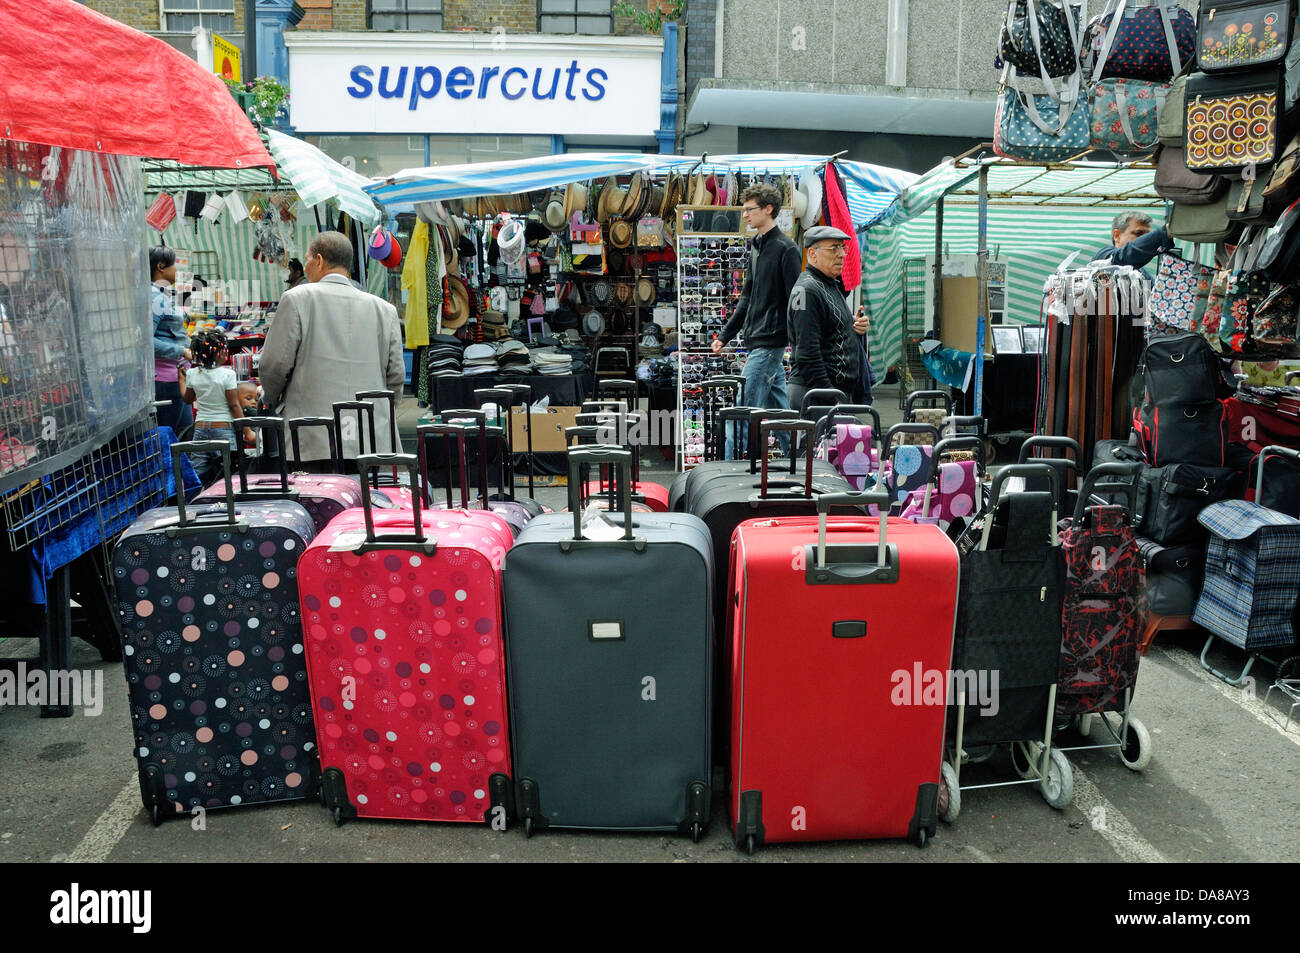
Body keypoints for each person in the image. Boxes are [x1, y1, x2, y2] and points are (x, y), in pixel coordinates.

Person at [259, 231, 405, 471]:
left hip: (310, 434)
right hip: (368, 434)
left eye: (307, 259)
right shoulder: (384, 310)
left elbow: (274, 365)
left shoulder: (296, 299)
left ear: (319, 260)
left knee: (316, 503)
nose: (305, 267)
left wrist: (272, 399)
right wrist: (382, 414)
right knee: (365, 504)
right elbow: (396, 375)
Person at [712, 183, 801, 457]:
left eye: (750, 210)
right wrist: (725, 335)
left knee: (741, 412)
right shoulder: (757, 247)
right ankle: (800, 458)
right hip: (760, 342)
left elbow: (797, 302)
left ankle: (728, 474)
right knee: (779, 410)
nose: (746, 215)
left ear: (768, 209)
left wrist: (797, 343)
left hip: (768, 343)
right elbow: (747, 298)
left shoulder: (786, 249)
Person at [787, 226, 870, 417]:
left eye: (842, 248)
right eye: (834, 248)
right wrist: (832, 399)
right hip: (818, 396)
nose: (841, 254)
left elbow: (830, 328)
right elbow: (807, 354)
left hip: (831, 396)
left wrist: (854, 326)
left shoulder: (829, 284)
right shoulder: (808, 290)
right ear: (812, 254)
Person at [183, 329, 255, 486]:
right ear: (218, 353)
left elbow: (187, 399)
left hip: (200, 428)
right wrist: (247, 431)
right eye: (224, 350)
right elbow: (234, 405)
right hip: (223, 429)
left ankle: (193, 501)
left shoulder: (192, 373)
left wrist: (180, 379)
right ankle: (226, 501)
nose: (226, 353)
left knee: (198, 473)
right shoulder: (227, 374)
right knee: (227, 472)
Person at [150, 246, 194, 438]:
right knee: (171, 438)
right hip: (166, 380)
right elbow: (146, 343)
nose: (176, 270)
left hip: (177, 377)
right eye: (173, 265)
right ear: (160, 266)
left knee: (185, 435)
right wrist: (182, 351)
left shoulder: (161, 294)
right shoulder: (154, 297)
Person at [1091, 211, 1174, 273]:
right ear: (1117, 235)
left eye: (1148, 236)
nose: (1145, 240)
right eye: (1139, 233)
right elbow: (1126, 255)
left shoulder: (1143, 274)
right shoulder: (1103, 257)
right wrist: (1165, 232)